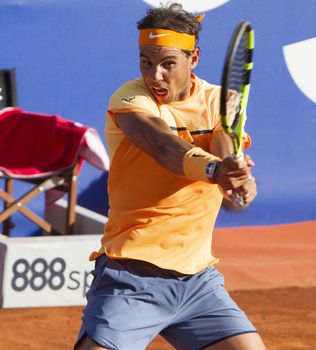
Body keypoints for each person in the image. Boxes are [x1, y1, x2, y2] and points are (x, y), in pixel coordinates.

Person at [75, 3, 265, 350]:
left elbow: (224, 147)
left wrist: (238, 179)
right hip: (132, 273)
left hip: (198, 281)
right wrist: (215, 170)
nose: (155, 76)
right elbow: (164, 147)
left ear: (193, 58)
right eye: (146, 62)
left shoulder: (222, 101)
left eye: (167, 64)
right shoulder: (130, 99)